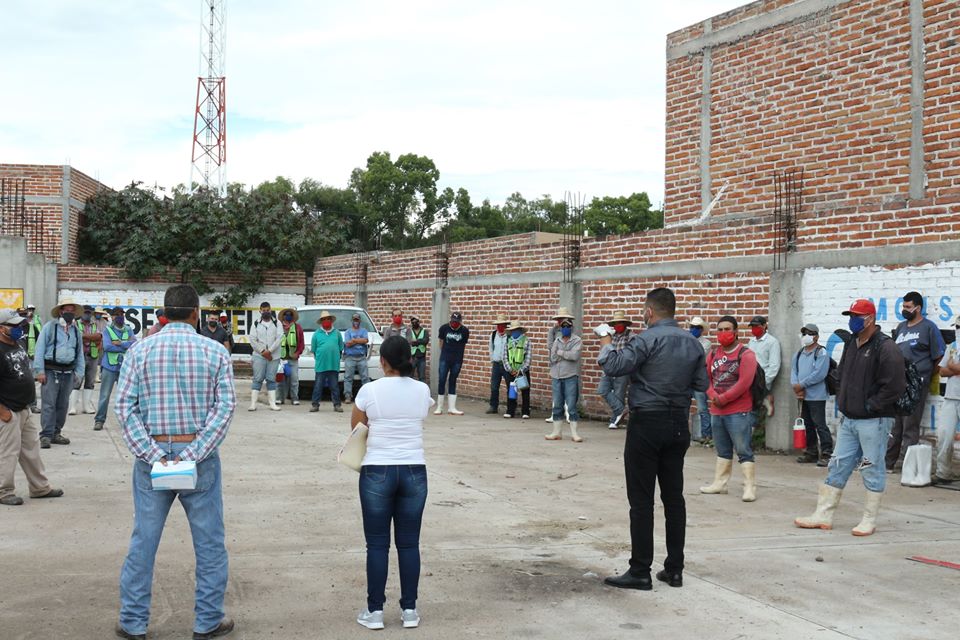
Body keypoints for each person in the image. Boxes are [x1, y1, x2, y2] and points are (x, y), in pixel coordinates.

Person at [113, 284, 236, 640]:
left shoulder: (140, 351)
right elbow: (224, 408)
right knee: (210, 543)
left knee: (143, 541)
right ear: (196, 313)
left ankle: (134, 624)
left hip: (151, 459)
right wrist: (191, 455)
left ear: (164, 313)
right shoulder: (214, 352)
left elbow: (125, 408)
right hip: (200, 461)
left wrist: (153, 455)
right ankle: (207, 622)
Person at [599, 288, 708, 591]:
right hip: (678, 423)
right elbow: (701, 383)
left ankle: (640, 570)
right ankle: (674, 569)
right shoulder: (693, 343)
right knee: (674, 498)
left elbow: (614, 366)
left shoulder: (646, 339)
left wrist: (607, 343)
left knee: (641, 499)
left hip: (648, 421)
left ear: (649, 311)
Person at [795, 298, 905, 536]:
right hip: (850, 419)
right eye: (850, 316)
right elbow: (842, 373)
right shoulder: (852, 343)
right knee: (837, 464)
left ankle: (869, 519)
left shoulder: (885, 347)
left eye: (857, 316)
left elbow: (895, 385)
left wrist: (871, 405)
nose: (852, 320)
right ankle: (823, 514)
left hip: (873, 421)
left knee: (872, 467)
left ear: (871, 318)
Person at [352, 335, 433, 631]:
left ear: (383, 361)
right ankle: (409, 610)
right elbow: (421, 414)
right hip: (414, 470)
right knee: (409, 543)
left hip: (377, 470)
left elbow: (357, 428)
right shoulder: (422, 389)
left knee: (376, 544)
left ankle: (375, 612)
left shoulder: (368, 390)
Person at [0, 309, 64, 506]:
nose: (19, 328)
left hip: (24, 408)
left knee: (31, 451)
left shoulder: (16, 344)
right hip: (8, 410)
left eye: (20, 325)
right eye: (14, 326)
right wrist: (3, 412)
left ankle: (39, 488)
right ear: (2, 328)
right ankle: (4, 491)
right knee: (8, 452)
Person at [700, 316, 759, 502]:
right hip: (717, 410)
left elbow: (745, 382)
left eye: (727, 329)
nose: (723, 333)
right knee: (722, 449)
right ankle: (720, 483)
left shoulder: (746, 354)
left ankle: (749, 487)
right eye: (720, 330)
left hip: (738, 410)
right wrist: (712, 395)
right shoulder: (712, 354)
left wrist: (724, 398)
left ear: (735, 332)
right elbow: (705, 377)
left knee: (743, 449)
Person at [886, 291, 945, 472]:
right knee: (895, 425)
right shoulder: (902, 327)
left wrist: (924, 375)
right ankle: (888, 463)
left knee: (910, 426)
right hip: (898, 382)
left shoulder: (929, 328)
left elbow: (939, 355)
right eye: (903, 306)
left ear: (918, 308)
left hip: (916, 383)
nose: (904, 310)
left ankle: (908, 467)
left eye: (908, 307)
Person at [32, 298, 85, 449]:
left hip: (68, 372)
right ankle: (46, 435)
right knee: (49, 404)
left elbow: (79, 352)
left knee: (63, 405)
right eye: (67, 311)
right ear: (61, 312)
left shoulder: (76, 330)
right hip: (50, 371)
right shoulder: (49, 327)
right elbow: (40, 349)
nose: (69, 313)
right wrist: (39, 371)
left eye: (72, 311)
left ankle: (56, 432)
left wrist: (79, 373)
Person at [791, 323, 833, 466]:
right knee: (807, 425)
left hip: (817, 396)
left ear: (816, 336)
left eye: (809, 333)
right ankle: (811, 452)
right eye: (804, 333)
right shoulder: (798, 353)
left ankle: (827, 454)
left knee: (820, 424)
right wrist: (796, 386)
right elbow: (794, 372)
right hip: (803, 396)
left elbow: (819, 374)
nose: (805, 336)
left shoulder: (821, 352)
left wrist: (801, 385)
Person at [94, 307, 137, 431]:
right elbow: (107, 347)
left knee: (126, 396)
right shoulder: (107, 330)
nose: (120, 317)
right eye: (117, 314)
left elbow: (134, 344)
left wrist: (121, 344)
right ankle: (99, 420)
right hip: (109, 366)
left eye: (121, 314)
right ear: (112, 317)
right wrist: (125, 345)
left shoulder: (128, 329)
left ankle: (127, 422)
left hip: (124, 366)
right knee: (105, 395)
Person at [933, 315, 960, 485]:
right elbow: (942, 371)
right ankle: (943, 473)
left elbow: (951, 367)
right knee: (944, 435)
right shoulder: (953, 346)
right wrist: (954, 368)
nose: (958, 330)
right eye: (957, 327)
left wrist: (954, 367)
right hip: (951, 397)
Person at [547, 316, 582, 441]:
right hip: (556, 375)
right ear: (560, 328)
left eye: (568, 326)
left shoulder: (577, 340)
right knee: (557, 404)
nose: (565, 328)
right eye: (563, 326)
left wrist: (560, 353)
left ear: (571, 327)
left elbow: (574, 356)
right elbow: (552, 357)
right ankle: (557, 432)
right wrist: (563, 354)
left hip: (570, 375)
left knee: (571, 405)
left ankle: (574, 433)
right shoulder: (557, 340)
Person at [598, 311, 633, 430]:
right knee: (602, 390)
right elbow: (604, 351)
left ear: (624, 324)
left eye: (620, 323)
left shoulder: (631, 337)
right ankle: (622, 411)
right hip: (609, 368)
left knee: (619, 395)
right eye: (615, 324)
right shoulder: (610, 336)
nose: (618, 326)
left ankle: (615, 421)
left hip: (622, 369)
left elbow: (631, 355)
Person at [248, 301, 282, 412]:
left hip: (274, 356)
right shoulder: (256, 324)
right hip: (259, 355)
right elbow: (252, 339)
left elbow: (279, 338)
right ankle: (253, 404)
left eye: (268, 310)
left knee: (271, 379)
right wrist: (263, 351)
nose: (266, 312)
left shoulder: (278, 323)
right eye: (264, 310)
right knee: (257, 379)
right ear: (260, 311)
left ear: (271, 310)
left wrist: (270, 351)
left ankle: (272, 404)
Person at [434, 312, 469, 416]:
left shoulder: (464, 331)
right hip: (445, 358)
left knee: (453, 380)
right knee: (442, 379)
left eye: (457, 322)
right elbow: (441, 342)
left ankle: (452, 407)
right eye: (453, 321)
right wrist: (444, 353)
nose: (455, 324)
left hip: (457, 359)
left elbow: (463, 344)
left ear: (460, 322)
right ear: (450, 320)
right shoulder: (444, 328)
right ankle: (439, 407)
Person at [747, 315, 781, 421]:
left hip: (762, 380)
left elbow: (775, 365)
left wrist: (764, 382)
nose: (754, 329)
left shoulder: (772, 342)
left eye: (756, 326)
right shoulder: (751, 342)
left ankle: (766, 398)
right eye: (752, 326)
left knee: (753, 410)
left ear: (764, 326)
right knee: (748, 407)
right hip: (750, 379)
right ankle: (766, 399)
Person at [310, 310, 344, 413]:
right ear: (321, 322)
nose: (326, 321)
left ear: (331, 320)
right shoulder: (316, 334)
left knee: (334, 386)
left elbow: (340, 348)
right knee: (318, 386)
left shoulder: (337, 333)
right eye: (324, 319)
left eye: (328, 319)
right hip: (321, 366)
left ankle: (337, 405)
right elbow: (314, 350)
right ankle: (315, 405)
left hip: (333, 365)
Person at [545, 307, 574, 425]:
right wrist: (560, 352)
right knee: (557, 390)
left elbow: (573, 347)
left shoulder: (572, 330)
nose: (560, 321)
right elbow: (550, 346)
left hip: (568, 364)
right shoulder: (553, 331)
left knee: (569, 390)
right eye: (559, 319)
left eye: (563, 318)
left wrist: (562, 352)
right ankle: (555, 414)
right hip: (555, 362)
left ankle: (569, 415)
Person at [72, 304, 103, 415]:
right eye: (85, 312)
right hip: (80, 356)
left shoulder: (95, 324)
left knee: (90, 382)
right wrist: (92, 337)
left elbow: (99, 337)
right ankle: (73, 407)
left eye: (89, 312)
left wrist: (84, 336)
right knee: (77, 381)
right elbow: (76, 336)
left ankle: (86, 406)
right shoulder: (75, 323)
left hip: (93, 355)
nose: (87, 314)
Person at [502, 320, 532, 420]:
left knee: (525, 391)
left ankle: (525, 411)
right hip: (511, 371)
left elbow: (528, 357)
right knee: (511, 391)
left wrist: (522, 369)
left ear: (520, 330)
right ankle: (510, 411)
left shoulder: (526, 341)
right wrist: (510, 369)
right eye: (513, 330)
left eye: (517, 330)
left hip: (522, 371)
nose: (515, 332)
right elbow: (504, 357)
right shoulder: (507, 342)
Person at [277, 308, 304, 406]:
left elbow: (301, 343)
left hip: (293, 359)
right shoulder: (279, 328)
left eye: (290, 315)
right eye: (286, 314)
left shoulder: (298, 328)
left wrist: (298, 353)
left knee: (294, 380)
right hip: (281, 359)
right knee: (280, 380)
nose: (288, 316)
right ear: (283, 317)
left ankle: (294, 398)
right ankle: (279, 398)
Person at [343, 312, 370, 405]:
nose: (356, 322)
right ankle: (347, 396)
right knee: (348, 377)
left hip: (362, 357)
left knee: (365, 377)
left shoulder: (364, 331)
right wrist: (359, 341)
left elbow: (366, 340)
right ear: (352, 321)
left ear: (360, 321)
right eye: (354, 320)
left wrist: (354, 340)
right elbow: (347, 344)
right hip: (350, 357)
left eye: (357, 320)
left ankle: (368, 396)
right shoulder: (348, 332)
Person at [486, 314, 510, 415]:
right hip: (496, 363)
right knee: (494, 386)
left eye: (502, 325)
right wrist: (492, 359)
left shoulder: (509, 335)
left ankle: (511, 406)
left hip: (507, 364)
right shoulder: (493, 335)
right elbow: (491, 348)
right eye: (498, 325)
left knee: (511, 386)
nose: (500, 327)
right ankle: (493, 406)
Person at [25, 303, 43, 413]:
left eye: (32, 309)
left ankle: (32, 405)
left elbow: (39, 341)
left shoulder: (34, 326)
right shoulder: (15, 328)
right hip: (18, 359)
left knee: (31, 382)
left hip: (31, 358)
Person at [409, 316, 428, 383]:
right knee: (409, 377)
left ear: (418, 322)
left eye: (415, 322)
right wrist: (420, 341)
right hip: (412, 357)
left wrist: (416, 341)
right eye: (412, 322)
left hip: (421, 357)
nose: (414, 323)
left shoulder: (424, 331)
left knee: (422, 377)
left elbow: (425, 341)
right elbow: (409, 341)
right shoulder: (409, 331)